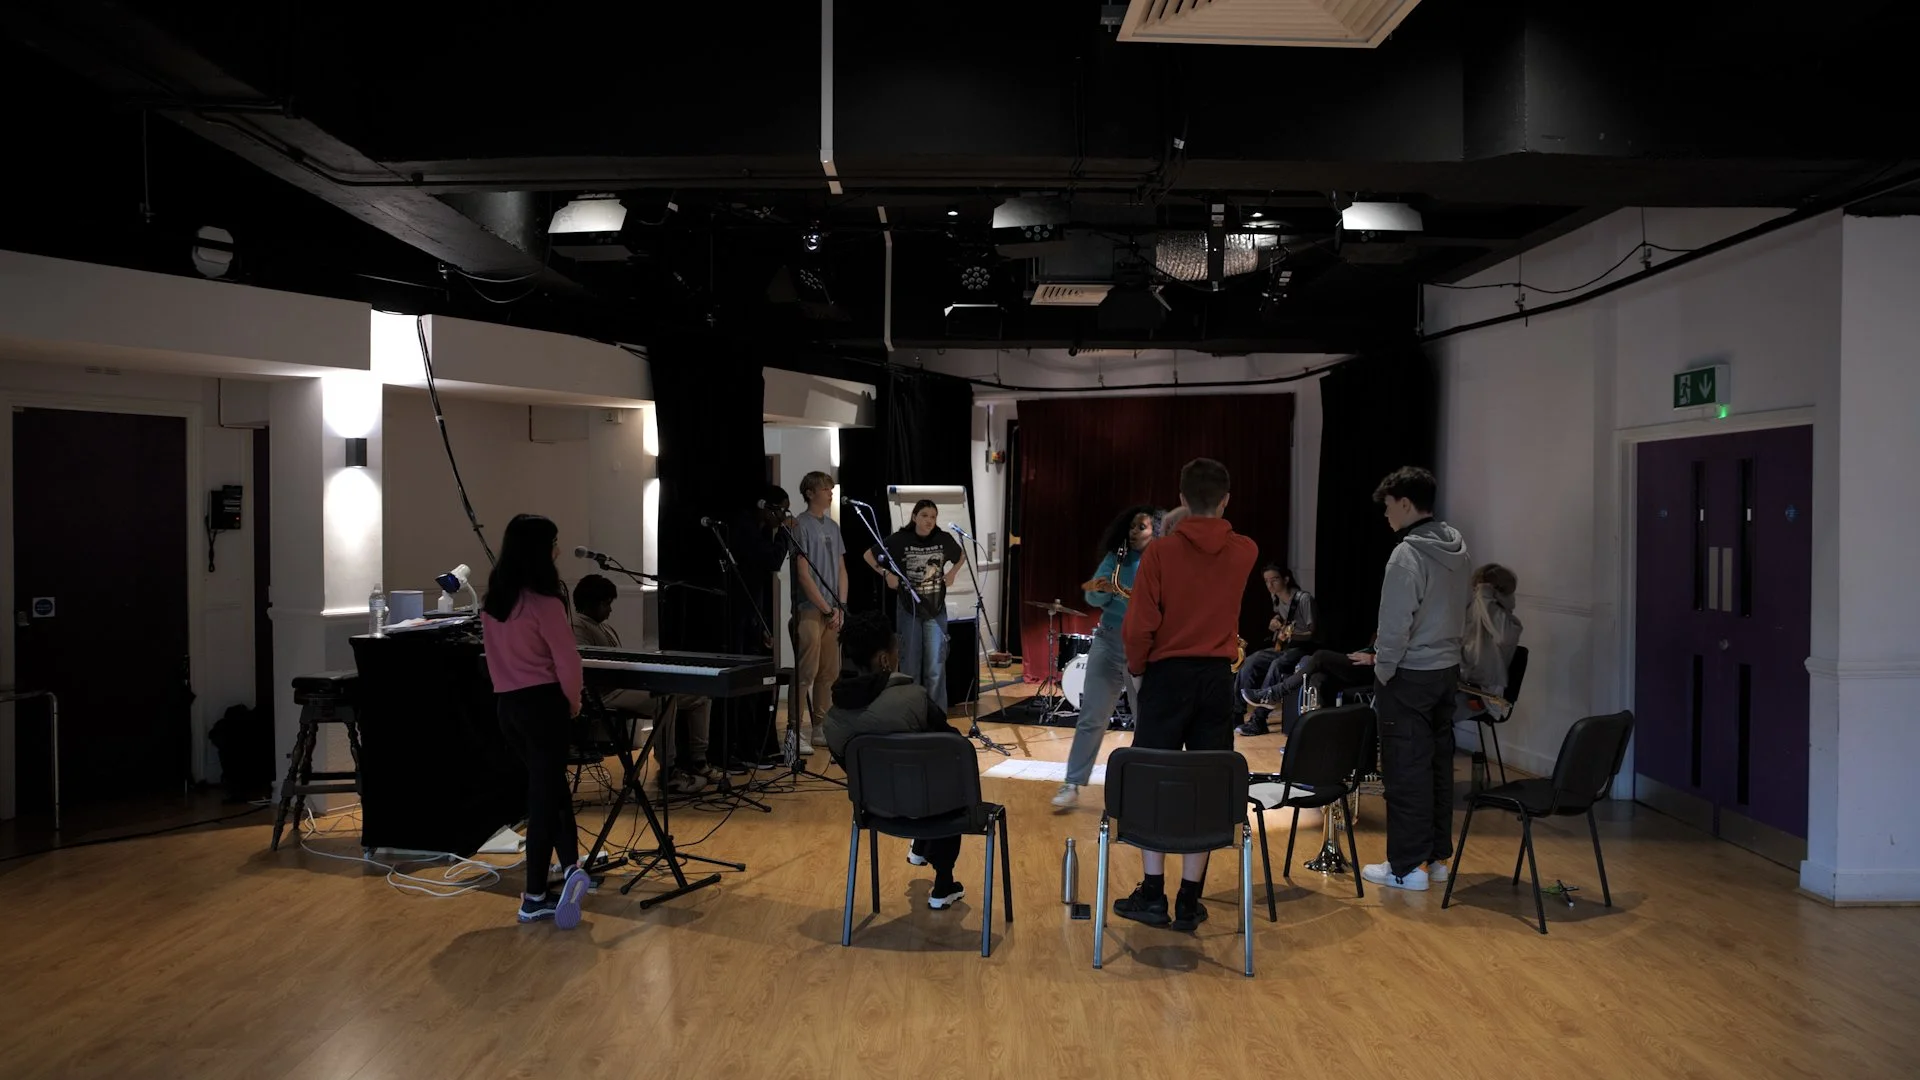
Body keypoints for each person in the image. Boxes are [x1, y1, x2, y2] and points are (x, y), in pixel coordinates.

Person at [1116, 459, 1259, 931]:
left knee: (1152, 779)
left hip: (1166, 676)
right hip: (1216, 679)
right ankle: (1189, 900)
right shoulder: (1245, 551)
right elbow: (1216, 537)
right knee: (1207, 784)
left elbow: (1139, 626)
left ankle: (1152, 893)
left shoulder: (1159, 554)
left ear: (1180, 498)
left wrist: (1138, 671)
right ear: (1226, 500)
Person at [1357, 466, 1471, 893]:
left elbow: (1394, 626)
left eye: (1388, 506)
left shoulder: (1407, 555)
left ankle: (1406, 868)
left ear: (1405, 503)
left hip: (1410, 675)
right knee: (1438, 766)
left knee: (1406, 771)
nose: (1386, 515)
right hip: (1446, 671)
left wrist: (1383, 670)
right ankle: (1436, 859)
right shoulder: (1458, 547)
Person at [480, 513, 591, 927]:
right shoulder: (545, 603)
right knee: (544, 802)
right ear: (539, 551)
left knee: (553, 789)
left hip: (508, 708)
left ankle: (572, 866)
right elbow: (568, 661)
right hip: (543, 707)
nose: (558, 550)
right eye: (554, 542)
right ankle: (534, 898)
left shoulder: (494, 603)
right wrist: (573, 701)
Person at [822, 611, 970, 909]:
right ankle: (943, 881)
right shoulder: (914, 699)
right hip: (927, 805)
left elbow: (853, 771)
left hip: (877, 810)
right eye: (895, 650)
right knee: (952, 781)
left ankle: (921, 844)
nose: (898, 654)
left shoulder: (832, 721)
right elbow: (955, 747)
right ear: (884, 660)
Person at [569, 574, 721, 795]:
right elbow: (587, 668)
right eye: (607, 604)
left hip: (622, 686)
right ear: (593, 603)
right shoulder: (577, 627)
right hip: (604, 693)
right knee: (663, 700)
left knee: (700, 696)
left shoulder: (602, 627)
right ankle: (668, 771)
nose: (610, 610)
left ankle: (699, 760)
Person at [1052, 504, 1158, 809]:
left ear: (1156, 530)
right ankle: (1072, 783)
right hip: (1109, 641)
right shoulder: (1116, 558)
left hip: (1144, 649)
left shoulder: (1161, 560)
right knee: (1092, 716)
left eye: (1142, 527)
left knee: (1145, 721)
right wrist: (1105, 590)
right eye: (1132, 526)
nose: (1134, 532)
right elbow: (1091, 595)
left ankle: (1147, 785)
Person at [862, 498, 965, 709]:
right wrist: (887, 574)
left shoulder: (943, 539)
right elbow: (868, 555)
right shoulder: (900, 539)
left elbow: (961, 555)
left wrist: (952, 573)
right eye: (925, 515)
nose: (929, 520)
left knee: (935, 669)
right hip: (909, 610)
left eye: (933, 517)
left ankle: (936, 717)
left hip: (935, 610)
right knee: (910, 667)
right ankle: (912, 714)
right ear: (914, 517)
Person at [787, 470, 848, 757]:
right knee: (806, 672)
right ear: (810, 493)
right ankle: (794, 730)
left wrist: (840, 607)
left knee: (829, 672)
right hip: (810, 609)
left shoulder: (834, 527)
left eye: (830, 488)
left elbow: (841, 569)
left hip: (832, 610)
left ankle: (821, 727)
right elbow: (803, 574)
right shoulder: (800, 525)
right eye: (825, 488)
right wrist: (825, 607)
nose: (830, 492)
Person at [1235, 566, 1317, 736]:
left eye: (1274, 580)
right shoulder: (1277, 599)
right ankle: (1236, 713)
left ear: (1286, 579)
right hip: (1285, 648)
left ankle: (1258, 720)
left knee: (1277, 665)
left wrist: (1290, 634)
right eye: (1267, 581)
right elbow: (1283, 617)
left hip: (1303, 648)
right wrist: (1276, 621)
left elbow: (1313, 633)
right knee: (1250, 661)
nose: (1270, 585)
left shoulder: (1303, 599)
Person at [1458, 563, 1523, 719]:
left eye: (1480, 590)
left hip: (1482, 693)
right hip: (1462, 682)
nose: (1477, 593)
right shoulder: (1473, 611)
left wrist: (1484, 597)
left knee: (1432, 713)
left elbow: (1503, 636)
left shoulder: (1509, 624)